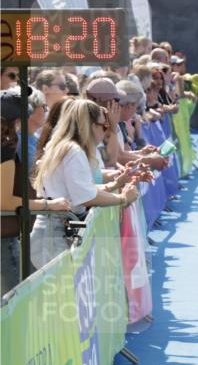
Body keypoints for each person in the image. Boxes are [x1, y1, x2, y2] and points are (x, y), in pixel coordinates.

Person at [30, 99, 138, 268]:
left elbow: (79, 192)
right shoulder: (73, 151)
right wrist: (123, 198)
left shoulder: (64, 147)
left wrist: (115, 184)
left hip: (53, 231)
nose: (106, 131)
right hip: (55, 234)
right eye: (104, 126)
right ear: (90, 125)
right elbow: (86, 197)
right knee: (63, 291)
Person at [0, 92, 70, 293]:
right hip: (5, 237)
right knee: (15, 302)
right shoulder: (5, 149)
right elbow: (5, 201)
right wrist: (49, 205)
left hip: (8, 235)